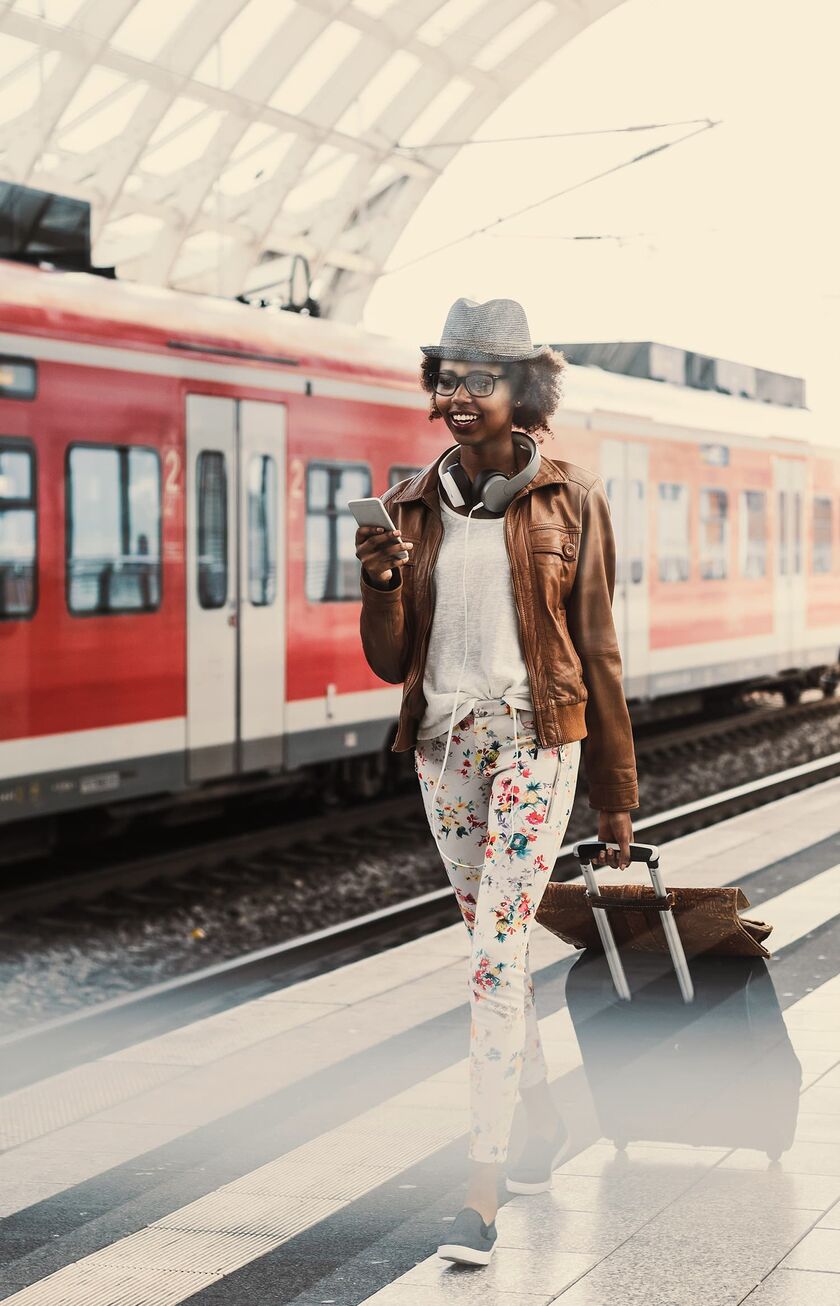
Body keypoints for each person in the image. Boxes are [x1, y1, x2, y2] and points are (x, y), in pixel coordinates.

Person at [356, 297, 639, 1267]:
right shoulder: (408, 506)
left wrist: (616, 797)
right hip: (445, 751)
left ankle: (481, 1187)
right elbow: (390, 658)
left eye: (481, 376)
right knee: (495, 947)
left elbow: (597, 650)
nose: (459, 393)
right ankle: (543, 1116)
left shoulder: (571, 502)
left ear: (524, 390)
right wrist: (384, 584)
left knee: (492, 954)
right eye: (448, 375)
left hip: (537, 740)